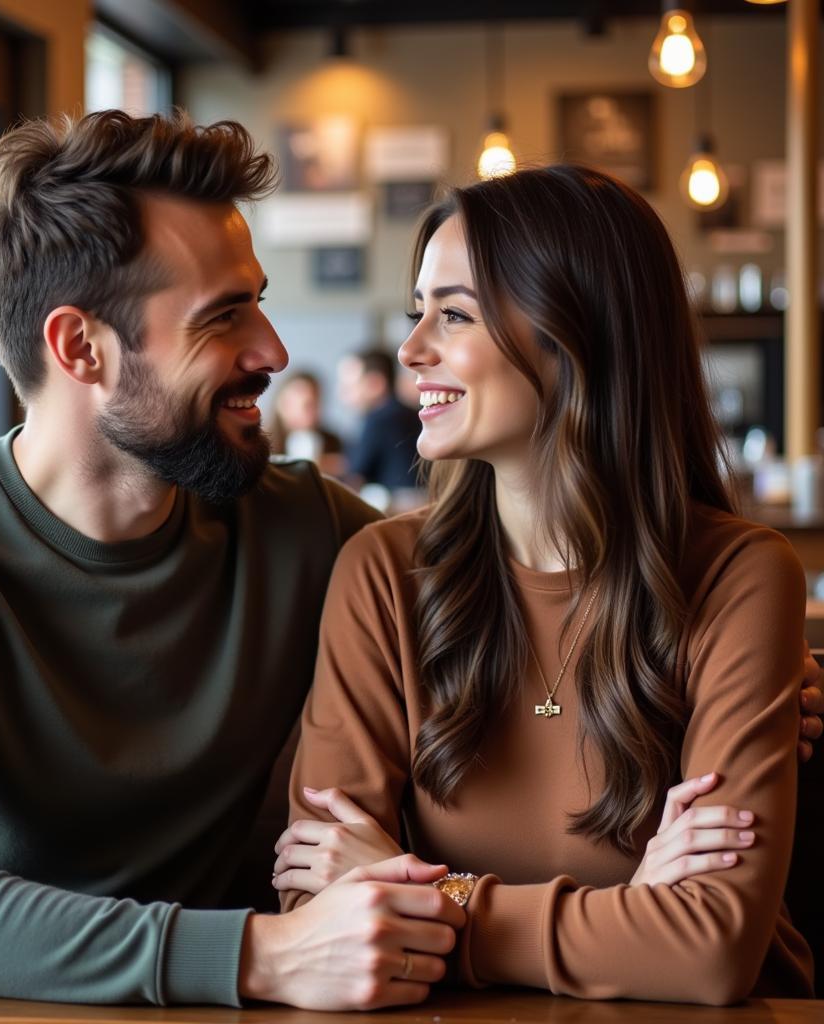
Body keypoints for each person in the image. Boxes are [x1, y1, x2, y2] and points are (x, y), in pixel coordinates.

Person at [0, 111, 466, 1022]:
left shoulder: (305, 526)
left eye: (259, 302)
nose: (273, 351)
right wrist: (265, 953)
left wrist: (638, 872)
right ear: (81, 349)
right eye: (224, 316)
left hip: (190, 1006)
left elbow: (533, 607)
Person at [276, 166, 817, 1004]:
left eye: (452, 314)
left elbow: (710, 950)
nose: (413, 350)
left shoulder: (740, 577)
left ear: (576, 336)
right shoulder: (384, 575)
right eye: (418, 312)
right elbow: (320, 911)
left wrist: (436, 896)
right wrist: (632, 910)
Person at [338, 347, 422, 493]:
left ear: (376, 383)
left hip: (400, 506)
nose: (343, 395)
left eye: (350, 387)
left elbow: (356, 475)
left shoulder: (378, 419)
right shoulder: (413, 414)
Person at [268, 369, 345, 476]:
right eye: (306, 406)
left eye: (313, 405)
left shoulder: (332, 443)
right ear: (280, 404)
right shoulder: (262, 442)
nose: (312, 413)